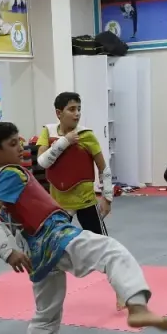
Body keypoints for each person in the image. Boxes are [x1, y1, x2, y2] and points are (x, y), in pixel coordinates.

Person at [0, 122, 167, 334]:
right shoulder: (10, 173)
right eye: (12, 144)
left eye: (18, 141)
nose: (20, 147)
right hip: (54, 236)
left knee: (46, 316)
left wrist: (12, 248)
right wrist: (7, 250)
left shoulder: (3, 175)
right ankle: (137, 307)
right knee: (111, 250)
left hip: (38, 249)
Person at [35, 92, 113, 236]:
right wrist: (65, 141)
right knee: (55, 242)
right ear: (59, 113)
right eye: (72, 109)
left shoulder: (86, 135)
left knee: (101, 243)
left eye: (79, 109)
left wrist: (107, 198)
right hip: (59, 202)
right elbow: (42, 162)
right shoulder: (48, 132)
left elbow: (103, 168)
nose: (77, 113)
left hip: (85, 200)